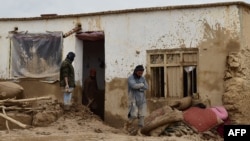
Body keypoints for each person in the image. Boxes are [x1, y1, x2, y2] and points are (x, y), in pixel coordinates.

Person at [124, 65, 148, 135]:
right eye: (139, 72)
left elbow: (146, 87)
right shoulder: (130, 78)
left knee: (142, 116)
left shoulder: (143, 78)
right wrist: (141, 85)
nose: (141, 74)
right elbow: (133, 86)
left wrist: (139, 86)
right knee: (134, 115)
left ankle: (139, 131)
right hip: (133, 99)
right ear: (136, 71)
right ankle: (126, 126)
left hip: (142, 100)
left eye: (142, 72)